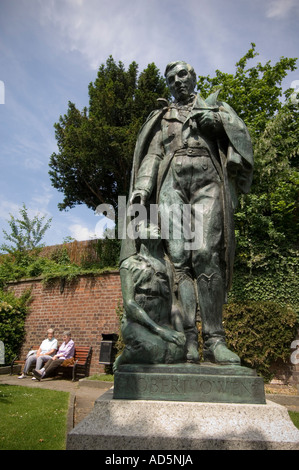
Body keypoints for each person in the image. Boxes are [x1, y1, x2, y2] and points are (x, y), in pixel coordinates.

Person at [121, 60, 253, 365]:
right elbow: (153, 154)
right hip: (172, 183)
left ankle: (215, 340)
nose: (177, 80)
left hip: (208, 181)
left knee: (205, 252)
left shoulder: (214, 106)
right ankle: (189, 340)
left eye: (182, 74)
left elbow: (240, 136)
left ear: (193, 78)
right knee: (178, 259)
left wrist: (217, 123)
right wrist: (142, 187)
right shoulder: (163, 116)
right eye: (171, 78)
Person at [114, 222, 185, 371]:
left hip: (162, 323)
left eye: (157, 227)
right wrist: (159, 331)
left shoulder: (166, 265)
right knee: (155, 349)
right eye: (148, 226)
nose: (157, 228)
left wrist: (180, 332)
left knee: (177, 352)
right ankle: (126, 356)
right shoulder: (128, 264)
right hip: (136, 324)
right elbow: (129, 304)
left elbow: (173, 303)